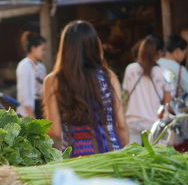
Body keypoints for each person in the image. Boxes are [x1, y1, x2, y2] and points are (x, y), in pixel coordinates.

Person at [43, 21, 128, 156]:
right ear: (95, 46)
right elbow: (121, 125)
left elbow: (55, 131)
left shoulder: (54, 81)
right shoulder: (109, 77)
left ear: (65, 48)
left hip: (77, 161)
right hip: (112, 157)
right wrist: (127, 155)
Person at [123, 35, 172, 144]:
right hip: (153, 123)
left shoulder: (130, 69)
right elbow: (168, 102)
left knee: (132, 157)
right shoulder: (166, 73)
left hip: (132, 121)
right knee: (154, 158)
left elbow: (127, 95)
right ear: (159, 53)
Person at [158, 34, 188, 103]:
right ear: (178, 51)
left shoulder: (157, 63)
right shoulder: (179, 69)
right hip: (169, 105)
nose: (184, 57)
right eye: (184, 53)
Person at [16, 31, 47, 118]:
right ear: (33, 48)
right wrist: (31, 116)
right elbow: (24, 94)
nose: (44, 53)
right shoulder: (24, 65)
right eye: (42, 49)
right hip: (26, 112)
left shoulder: (41, 67)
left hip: (40, 108)